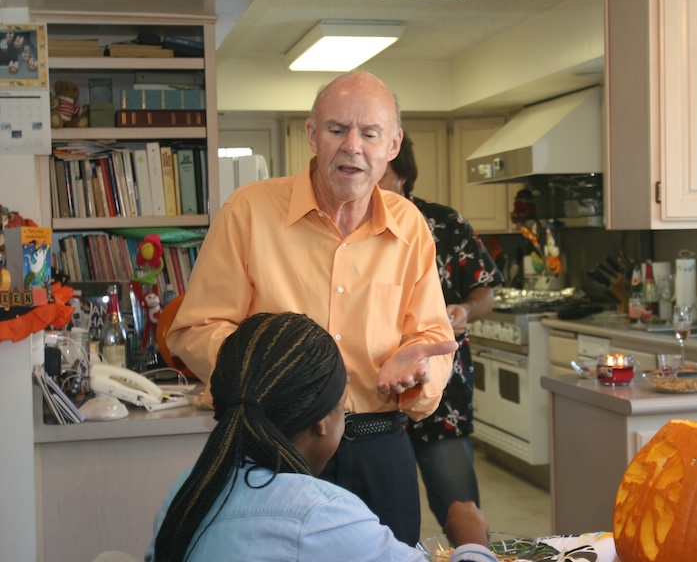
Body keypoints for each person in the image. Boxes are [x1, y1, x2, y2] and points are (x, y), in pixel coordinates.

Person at [166, 71, 457, 545]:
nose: (352, 146)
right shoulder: (248, 211)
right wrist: (275, 372)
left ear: (393, 144)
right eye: (337, 129)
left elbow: (434, 338)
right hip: (273, 448)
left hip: (379, 444)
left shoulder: (410, 224)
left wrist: (421, 371)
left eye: (370, 133)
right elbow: (194, 330)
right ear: (312, 135)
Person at [147, 312, 500, 561]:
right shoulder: (320, 516)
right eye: (342, 404)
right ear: (322, 422)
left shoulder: (189, 488)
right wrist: (470, 536)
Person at [379, 135, 504, 530]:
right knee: (383, 525)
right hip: (372, 398)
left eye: (380, 176)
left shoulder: (446, 224)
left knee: (459, 508)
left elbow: (486, 290)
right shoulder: (348, 231)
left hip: (443, 392)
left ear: (403, 176)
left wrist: (466, 309)